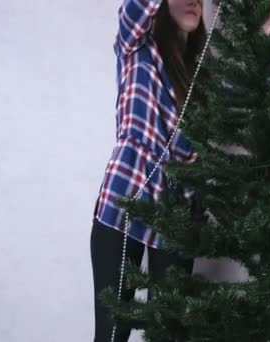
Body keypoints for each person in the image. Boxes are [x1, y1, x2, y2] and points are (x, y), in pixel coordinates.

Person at [90, 1, 206, 341]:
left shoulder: (202, 75)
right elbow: (134, 9)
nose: (194, 1)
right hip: (126, 196)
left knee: (170, 331)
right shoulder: (135, 46)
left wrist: (261, 32)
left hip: (178, 210)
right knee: (114, 330)